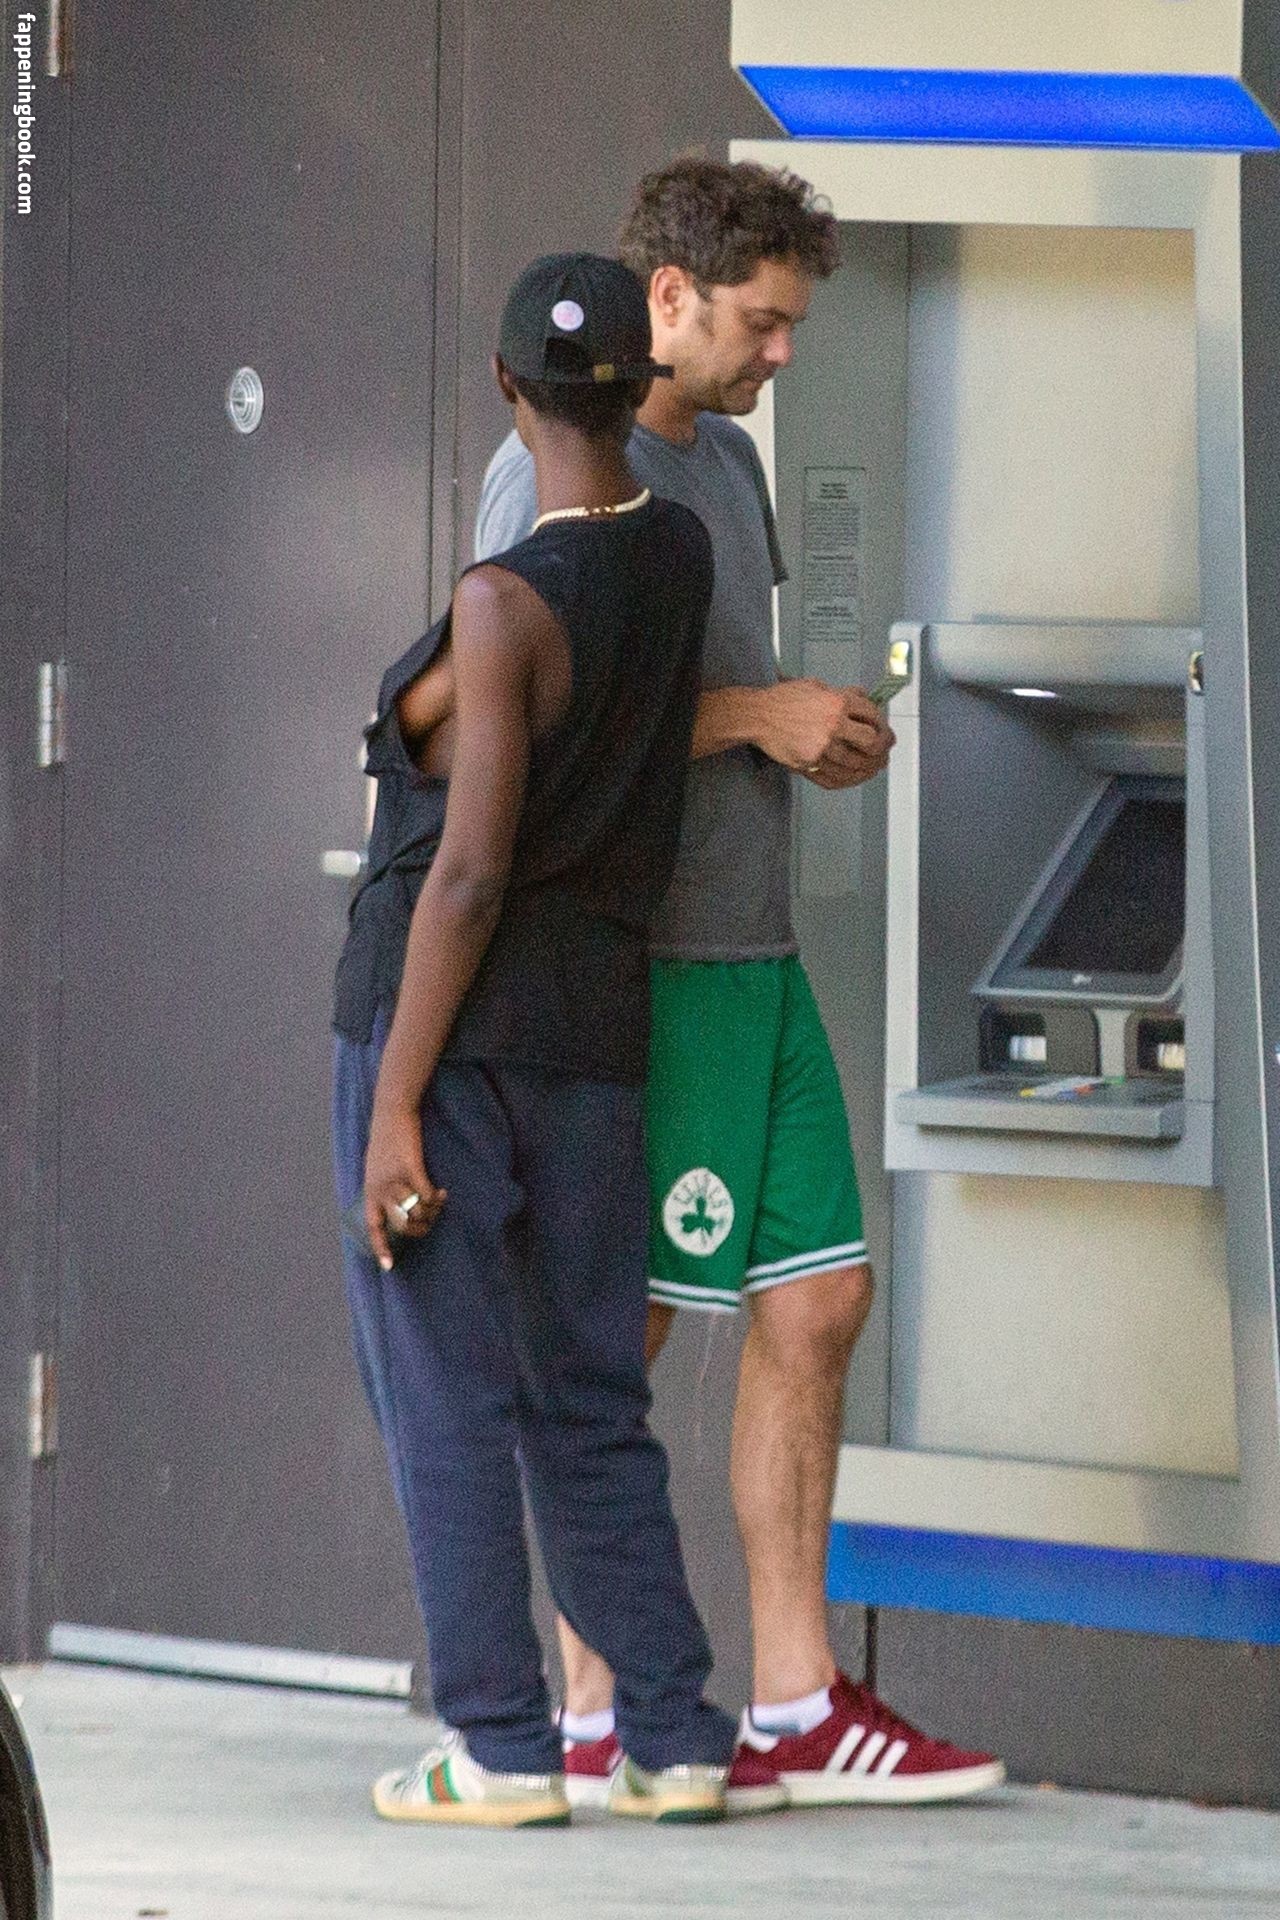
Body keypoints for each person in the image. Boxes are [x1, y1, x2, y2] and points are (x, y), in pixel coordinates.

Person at [474, 159, 1006, 1808]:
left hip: (758, 954)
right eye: (763, 323)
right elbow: (525, 724)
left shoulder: (732, 464)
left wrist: (795, 727)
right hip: (654, 974)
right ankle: (593, 1710)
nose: (783, 353)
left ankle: (794, 1703)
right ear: (669, 298)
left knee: (821, 1301)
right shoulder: (551, 469)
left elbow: (690, 701)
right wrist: (763, 719)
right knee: (614, 1338)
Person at [331, 252, 737, 1828]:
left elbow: (471, 871)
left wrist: (395, 1107)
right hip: (594, 1039)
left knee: (441, 1388)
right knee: (588, 1395)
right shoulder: (679, 554)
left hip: (450, 1027)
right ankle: (677, 1739)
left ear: (508, 388)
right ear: (640, 383)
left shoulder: (505, 604)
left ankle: (500, 1748)